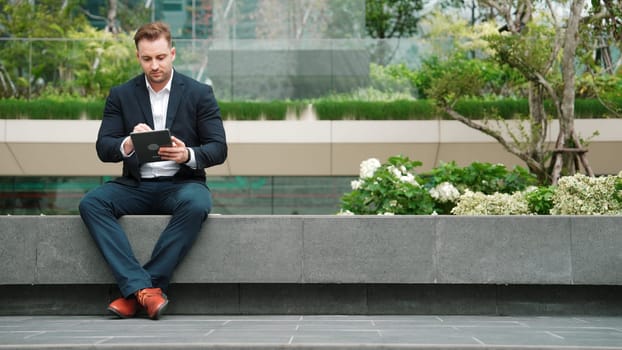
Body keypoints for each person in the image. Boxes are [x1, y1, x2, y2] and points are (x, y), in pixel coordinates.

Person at [79, 21, 227, 320]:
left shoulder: (200, 93)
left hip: (181, 184)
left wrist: (187, 154)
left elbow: (218, 148)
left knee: (198, 203)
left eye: (160, 57)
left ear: (172, 53)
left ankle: (137, 291)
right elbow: (103, 147)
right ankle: (147, 292)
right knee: (91, 203)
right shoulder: (121, 95)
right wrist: (129, 144)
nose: (154, 65)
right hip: (135, 185)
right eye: (147, 59)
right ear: (138, 57)